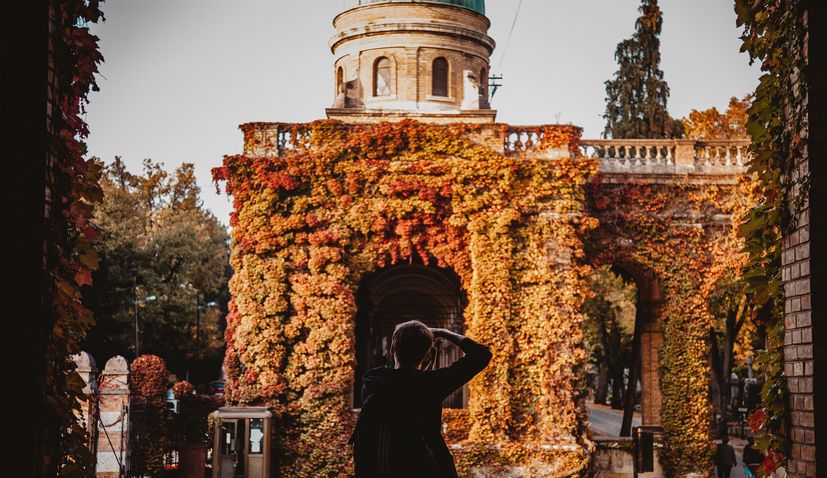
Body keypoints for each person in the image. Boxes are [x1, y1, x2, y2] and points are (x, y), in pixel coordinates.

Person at [351, 320, 492, 478]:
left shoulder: (373, 381)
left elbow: (401, 389)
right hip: (422, 469)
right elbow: (482, 354)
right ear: (426, 355)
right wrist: (443, 332)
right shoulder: (431, 384)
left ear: (392, 348)